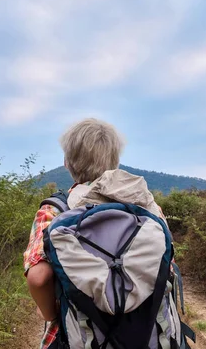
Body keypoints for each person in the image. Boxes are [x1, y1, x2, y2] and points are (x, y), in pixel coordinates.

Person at [23, 118, 180, 349]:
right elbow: (167, 266)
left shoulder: (55, 211)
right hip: (150, 336)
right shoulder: (149, 207)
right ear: (115, 161)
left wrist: (48, 313)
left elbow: (39, 278)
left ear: (67, 163)